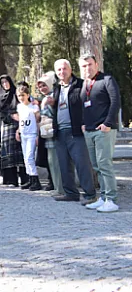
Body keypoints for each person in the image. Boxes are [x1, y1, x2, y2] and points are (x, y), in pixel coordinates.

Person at [49, 59, 96, 203]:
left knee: (82, 164)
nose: (62, 72)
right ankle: (70, 193)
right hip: (59, 131)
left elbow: (89, 105)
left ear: (70, 69)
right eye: (59, 70)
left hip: (76, 130)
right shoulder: (56, 88)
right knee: (64, 164)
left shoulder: (80, 85)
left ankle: (90, 194)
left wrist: (85, 123)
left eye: (64, 69)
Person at [79, 54, 121, 213]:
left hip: (104, 130)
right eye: (83, 66)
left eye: (89, 64)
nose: (87, 68)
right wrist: (83, 123)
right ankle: (103, 197)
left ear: (96, 64)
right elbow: (84, 106)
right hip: (89, 131)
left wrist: (108, 123)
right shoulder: (85, 84)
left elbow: (115, 101)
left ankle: (112, 199)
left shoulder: (107, 79)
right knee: (96, 166)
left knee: (105, 164)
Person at [0, 75, 28, 187]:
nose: (5, 84)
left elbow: (22, 106)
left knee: (20, 153)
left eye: (7, 82)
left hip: (18, 125)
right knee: (7, 153)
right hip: (5, 126)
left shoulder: (15, 94)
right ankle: (11, 180)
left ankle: (25, 179)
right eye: (3, 82)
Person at [37, 72, 63, 194]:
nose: (42, 88)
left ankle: (60, 188)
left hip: (55, 132)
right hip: (46, 134)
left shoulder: (54, 96)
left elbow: (55, 113)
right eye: (40, 86)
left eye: (44, 85)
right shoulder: (44, 98)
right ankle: (56, 186)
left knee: (56, 162)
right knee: (51, 161)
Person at [15, 85, 42, 191]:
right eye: (19, 95)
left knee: (30, 157)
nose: (21, 98)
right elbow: (21, 120)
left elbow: (38, 121)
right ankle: (30, 179)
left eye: (23, 95)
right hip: (24, 133)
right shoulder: (19, 107)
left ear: (27, 95)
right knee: (26, 158)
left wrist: (37, 135)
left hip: (32, 134)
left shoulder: (34, 107)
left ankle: (36, 180)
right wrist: (18, 131)